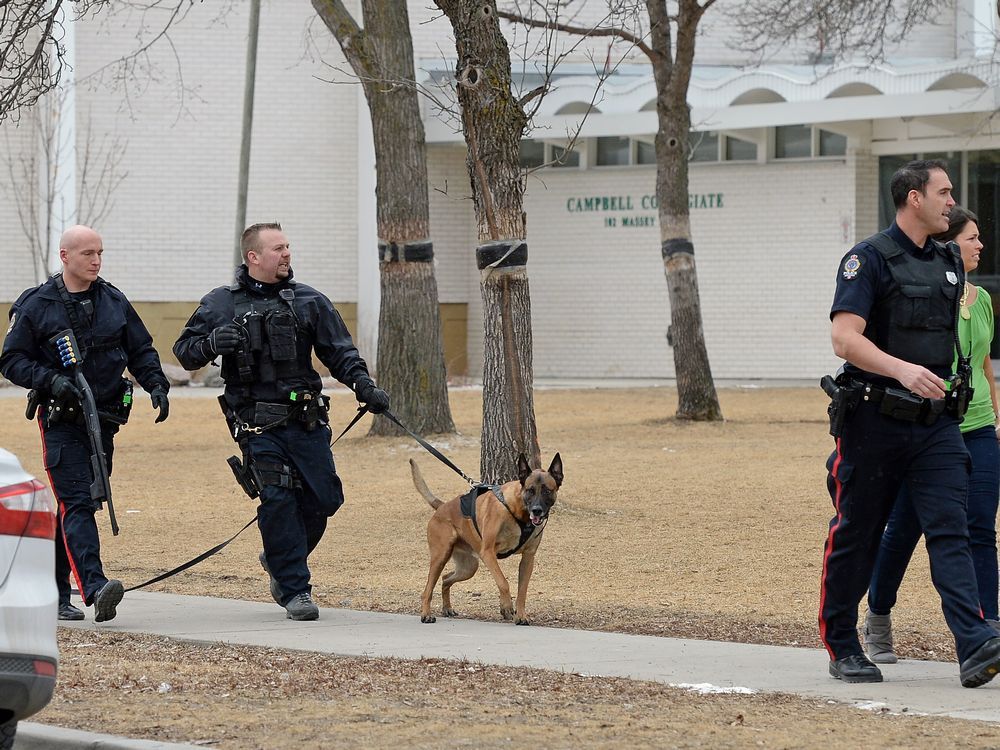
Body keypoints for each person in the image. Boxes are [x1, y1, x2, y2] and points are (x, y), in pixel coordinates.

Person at [820, 159, 1000, 688]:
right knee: (860, 533)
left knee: (953, 527)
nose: (952, 201)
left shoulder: (950, 261)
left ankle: (974, 643)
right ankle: (843, 644)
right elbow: (844, 339)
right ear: (913, 199)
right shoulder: (867, 259)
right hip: (874, 418)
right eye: (943, 193)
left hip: (937, 425)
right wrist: (902, 370)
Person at [172, 222, 389, 621]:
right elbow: (185, 352)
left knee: (325, 499)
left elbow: (339, 352)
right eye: (278, 248)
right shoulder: (221, 303)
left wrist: (364, 386)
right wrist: (211, 344)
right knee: (277, 498)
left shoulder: (309, 301)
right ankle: (295, 590)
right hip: (256, 424)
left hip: (305, 420)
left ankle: (278, 556)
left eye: (288, 246)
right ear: (253, 257)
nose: (287, 254)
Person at [0, 225, 170, 623]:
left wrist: (157, 384)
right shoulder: (37, 304)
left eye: (100, 252)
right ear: (64, 256)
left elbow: (139, 348)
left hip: (105, 421)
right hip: (63, 422)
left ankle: (54, 592)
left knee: (78, 505)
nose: (96, 260)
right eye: (87, 253)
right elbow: (11, 360)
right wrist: (51, 380)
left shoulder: (113, 299)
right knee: (76, 501)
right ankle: (94, 587)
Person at [863, 206, 1000, 662]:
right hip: (931, 426)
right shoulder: (930, 292)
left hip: (978, 427)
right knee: (903, 530)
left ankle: (986, 633)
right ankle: (878, 616)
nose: (980, 245)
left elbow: (983, 365)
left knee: (979, 528)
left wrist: (997, 419)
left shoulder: (981, 301)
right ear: (949, 245)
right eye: (972, 238)